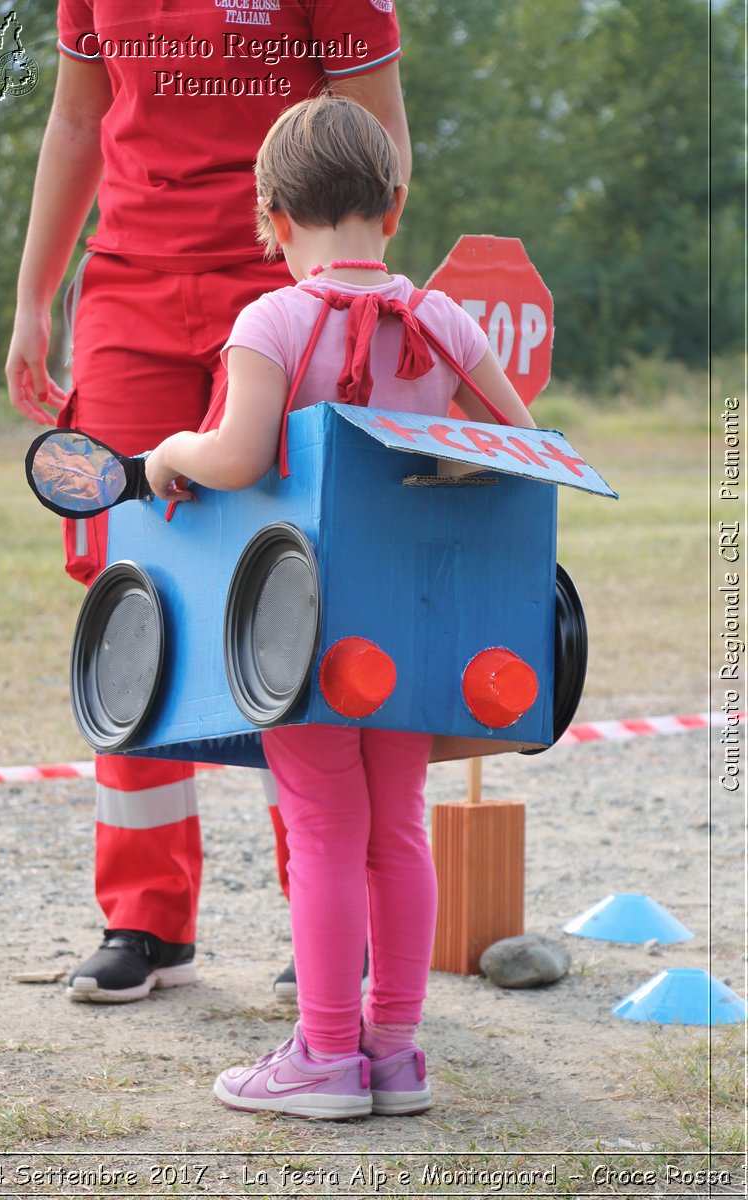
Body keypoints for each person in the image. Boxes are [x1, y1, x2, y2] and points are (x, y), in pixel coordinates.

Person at [5, 1, 411, 1003]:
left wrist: (349, 307)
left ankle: (330, 919)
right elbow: (74, 123)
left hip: (280, 298)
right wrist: (32, 297)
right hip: (129, 293)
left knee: (297, 582)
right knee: (129, 586)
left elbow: (377, 143)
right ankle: (144, 920)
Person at [144, 95, 537, 1119]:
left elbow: (232, 456)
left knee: (321, 828)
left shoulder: (270, 318)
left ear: (272, 218)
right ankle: (394, 1053)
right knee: (395, 828)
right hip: (412, 623)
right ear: (393, 209)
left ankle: (323, 1056)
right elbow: (521, 441)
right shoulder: (443, 319)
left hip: (303, 625)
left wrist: (168, 455)